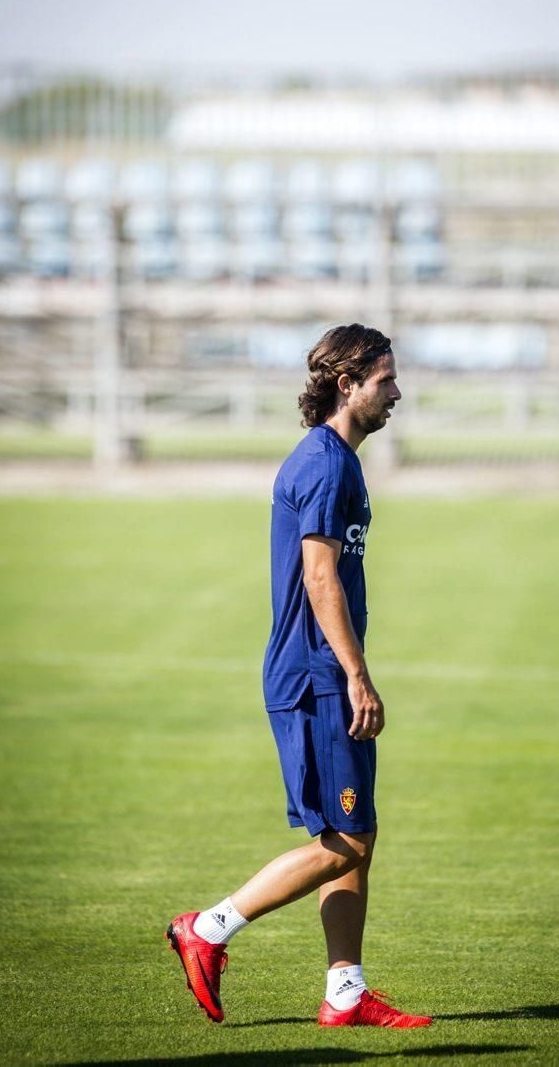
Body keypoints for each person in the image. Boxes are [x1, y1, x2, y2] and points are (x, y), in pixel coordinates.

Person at [165, 323, 431, 1030]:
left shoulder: (340, 459)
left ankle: (345, 991)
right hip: (315, 676)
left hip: (322, 672)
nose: (397, 392)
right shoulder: (324, 464)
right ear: (348, 385)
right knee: (339, 842)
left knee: (357, 831)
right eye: (385, 380)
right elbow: (320, 577)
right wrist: (357, 674)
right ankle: (209, 927)